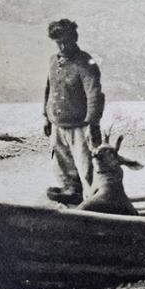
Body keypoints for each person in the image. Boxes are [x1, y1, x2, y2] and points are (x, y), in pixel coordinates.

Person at [43, 19, 105, 205]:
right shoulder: (53, 62)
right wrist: (46, 117)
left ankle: (95, 205)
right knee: (63, 168)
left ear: (74, 38)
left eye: (66, 41)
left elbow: (95, 93)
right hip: (57, 125)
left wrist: (92, 123)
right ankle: (72, 197)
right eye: (58, 42)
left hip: (80, 127)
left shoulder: (86, 62)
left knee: (87, 170)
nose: (62, 46)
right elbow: (49, 89)